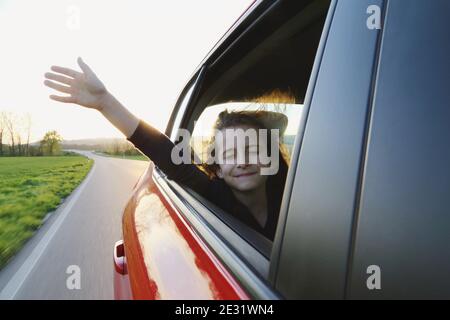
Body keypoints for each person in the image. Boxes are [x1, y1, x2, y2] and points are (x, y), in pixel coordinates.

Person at [44, 58, 290, 240]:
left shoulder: (292, 191)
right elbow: (163, 151)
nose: (242, 161)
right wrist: (105, 102)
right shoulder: (214, 194)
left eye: (252, 150)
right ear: (220, 169)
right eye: (229, 154)